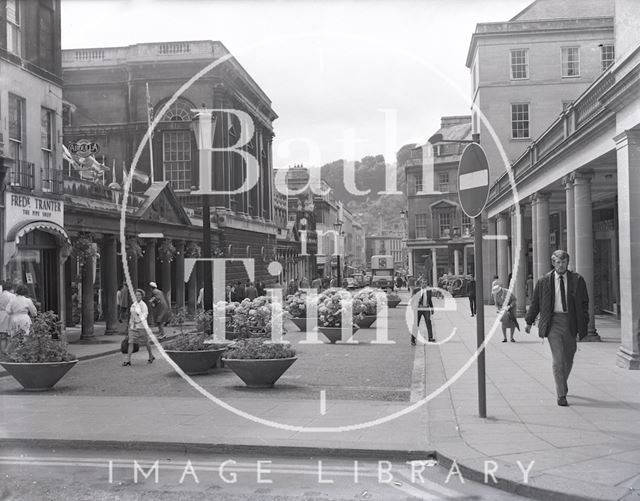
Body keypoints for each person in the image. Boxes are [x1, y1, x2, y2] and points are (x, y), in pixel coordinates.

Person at [525, 250, 589, 407]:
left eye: (564, 262)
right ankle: (561, 395)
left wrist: (584, 322)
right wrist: (529, 321)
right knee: (558, 361)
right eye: (558, 262)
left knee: (569, 358)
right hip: (553, 322)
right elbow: (536, 303)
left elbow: (584, 303)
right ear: (553, 263)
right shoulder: (543, 281)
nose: (561, 265)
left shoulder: (577, 279)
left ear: (568, 263)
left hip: (571, 322)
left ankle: (562, 382)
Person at [123, 289, 154, 366]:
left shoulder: (144, 305)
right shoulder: (133, 305)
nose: (137, 296)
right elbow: (131, 316)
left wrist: (139, 321)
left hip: (141, 327)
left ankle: (151, 356)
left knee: (146, 343)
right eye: (136, 295)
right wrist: (130, 324)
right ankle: (128, 360)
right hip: (133, 327)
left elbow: (145, 315)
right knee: (130, 342)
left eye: (139, 295)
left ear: (142, 296)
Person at [0, 282, 16, 354]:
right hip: (9, 315)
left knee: (3, 335)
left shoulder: (1, 295)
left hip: (1, 315)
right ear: (10, 288)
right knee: (10, 335)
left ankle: (3, 350)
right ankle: (7, 350)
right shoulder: (12, 296)